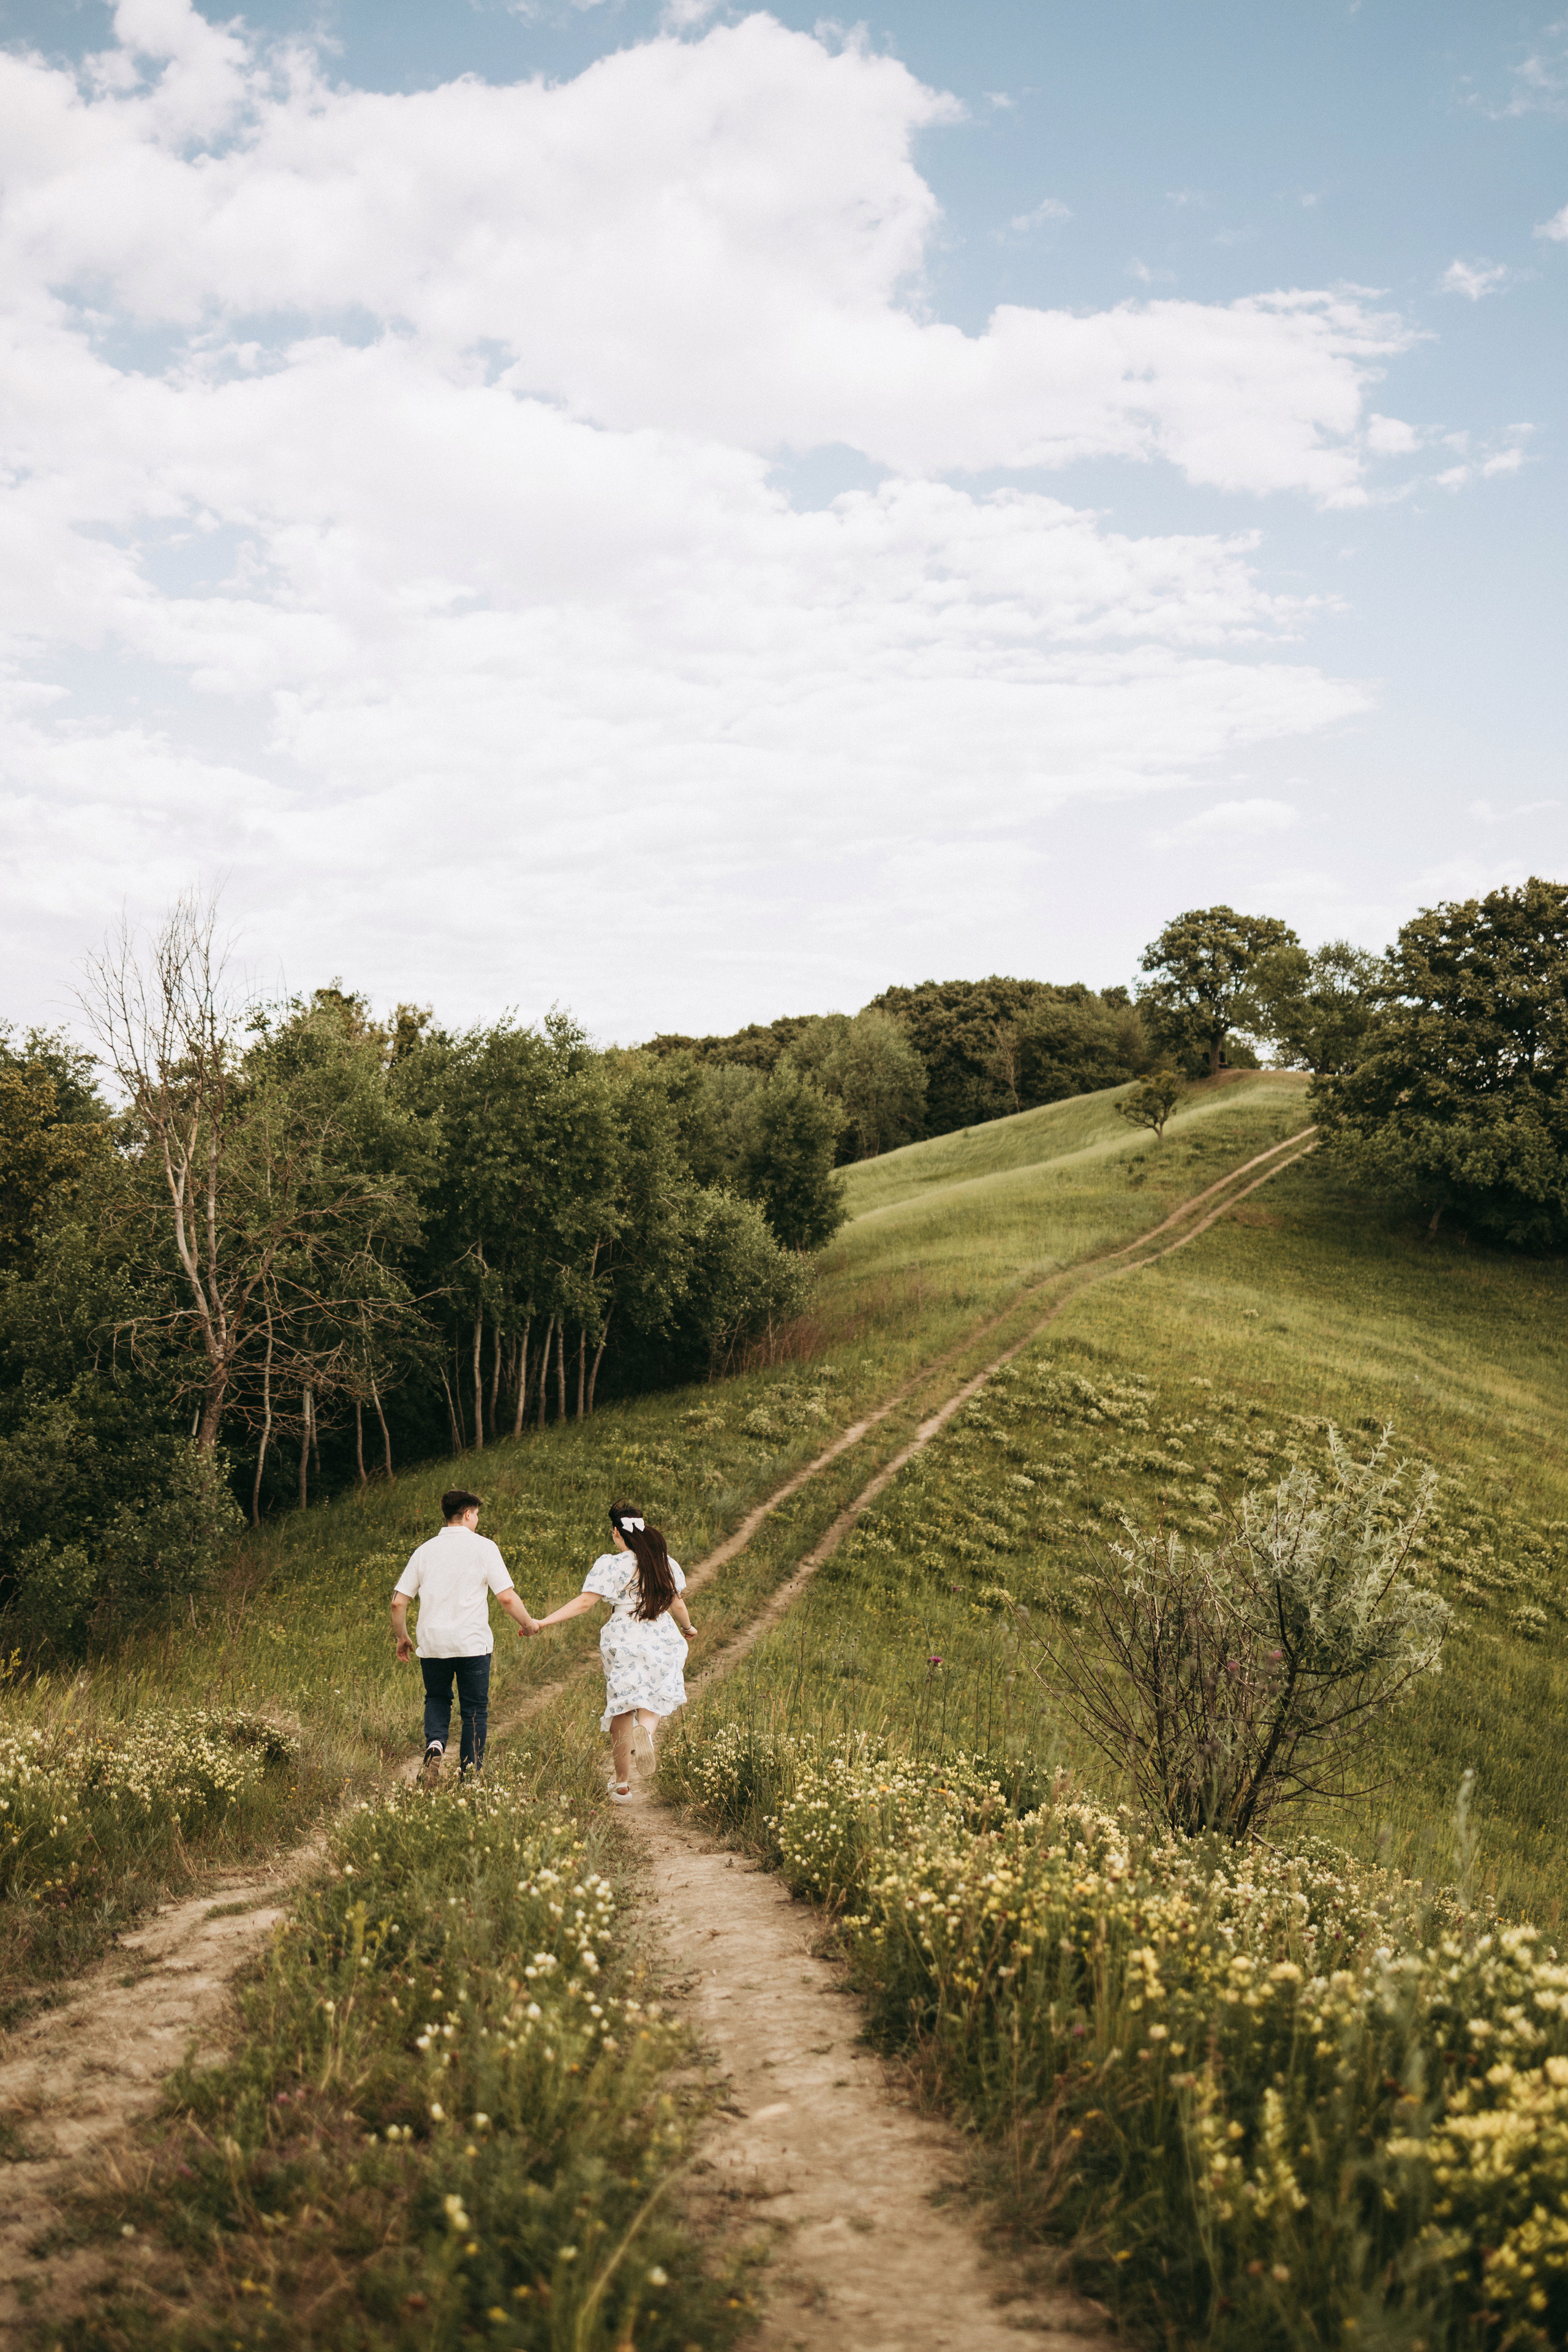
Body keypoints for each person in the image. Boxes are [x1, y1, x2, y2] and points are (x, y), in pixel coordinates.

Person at [529, 1502, 696, 1802]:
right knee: (653, 1696)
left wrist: (543, 1621)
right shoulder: (665, 1563)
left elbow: (584, 1603)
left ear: (616, 1533)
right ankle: (645, 1730)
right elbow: (678, 1604)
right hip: (661, 1632)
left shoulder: (611, 1564)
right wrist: (688, 1628)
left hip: (623, 1635)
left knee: (622, 1703)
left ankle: (621, 1784)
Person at [391, 1487, 537, 1785]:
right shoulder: (484, 1548)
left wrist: (403, 1637)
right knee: (474, 1709)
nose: (478, 1520)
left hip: (432, 1643)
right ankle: (468, 1776)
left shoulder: (425, 1550)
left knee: (437, 1698)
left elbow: (398, 1601)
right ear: (468, 1514)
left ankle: (435, 1746)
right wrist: (529, 1623)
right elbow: (507, 1598)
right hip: (472, 1644)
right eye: (477, 1515)